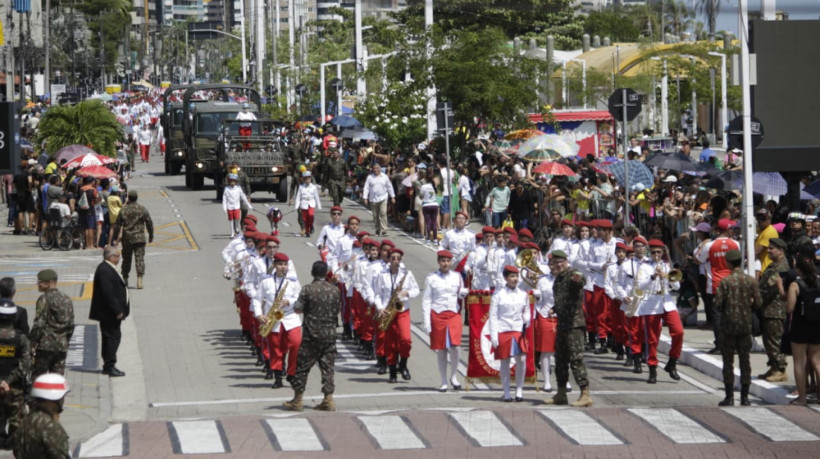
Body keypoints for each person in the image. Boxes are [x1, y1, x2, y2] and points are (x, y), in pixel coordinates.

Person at [284, 261, 342, 412]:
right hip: (329, 334)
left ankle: (298, 400)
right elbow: (338, 309)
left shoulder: (307, 289)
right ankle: (328, 399)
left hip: (311, 334)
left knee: (302, 367)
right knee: (328, 367)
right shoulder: (334, 290)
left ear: (312, 272)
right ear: (326, 272)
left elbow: (297, 308)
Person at [544, 250, 592, 407]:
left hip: (574, 325)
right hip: (562, 324)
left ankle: (585, 393)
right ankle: (561, 393)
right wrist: (554, 308)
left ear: (566, 261)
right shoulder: (558, 279)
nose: (558, 265)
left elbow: (580, 280)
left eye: (561, 262)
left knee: (576, 359)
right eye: (555, 262)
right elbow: (563, 299)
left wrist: (579, 279)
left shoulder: (572, 273)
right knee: (560, 360)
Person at [714, 250, 761, 406]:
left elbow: (717, 304)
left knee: (728, 362)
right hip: (745, 326)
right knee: (744, 361)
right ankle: (745, 397)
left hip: (728, 327)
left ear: (728, 263)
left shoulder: (725, 282)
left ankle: (729, 397)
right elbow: (759, 303)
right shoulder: (751, 281)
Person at [422, 250, 468, 392]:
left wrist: (462, 294)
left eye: (448, 261)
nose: (445, 263)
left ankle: (454, 376)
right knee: (441, 348)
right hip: (438, 313)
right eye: (443, 261)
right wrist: (426, 322)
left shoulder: (457, 276)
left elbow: (460, 296)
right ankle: (443, 380)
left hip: (453, 313)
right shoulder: (431, 278)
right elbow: (426, 300)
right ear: (438, 262)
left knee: (456, 346)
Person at [254, 252, 302, 389]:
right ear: (275, 265)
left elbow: (300, 298)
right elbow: (257, 299)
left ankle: (292, 373)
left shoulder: (292, 281)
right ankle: (277, 376)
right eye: (280, 264)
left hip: (290, 317)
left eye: (285, 264)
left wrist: (289, 301)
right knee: (276, 349)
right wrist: (259, 315)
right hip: (273, 319)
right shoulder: (266, 281)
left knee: (295, 344)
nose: (283, 267)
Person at [372, 248, 420, 383]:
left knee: (405, 339)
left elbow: (416, 289)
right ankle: (392, 371)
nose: (395, 260)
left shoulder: (407, 274)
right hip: (388, 311)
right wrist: (380, 308)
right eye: (393, 258)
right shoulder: (382, 275)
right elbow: (377, 294)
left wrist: (408, 293)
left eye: (398, 258)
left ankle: (403, 364)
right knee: (390, 343)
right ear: (388, 259)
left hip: (402, 310)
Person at [489, 266, 531, 402]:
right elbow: (493, 316)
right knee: (505, 362)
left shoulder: (523, 294)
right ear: (506, 278)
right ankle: (506, 391)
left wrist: (527, 319)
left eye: (516, 276)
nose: (515, 279)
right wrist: (494, 336)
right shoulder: (498, 295)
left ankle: (519, 390)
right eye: (512, 276)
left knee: (522, 359)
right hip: (503, 329)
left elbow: (527, 310)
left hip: (518, 330)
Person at [785, 252, 820, 406]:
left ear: (798, 269)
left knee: (799, 362)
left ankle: (802, 398)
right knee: (817, 362)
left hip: (800, 325)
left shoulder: (795, 285)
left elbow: (790, 308)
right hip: (817, 324)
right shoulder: (819, 282)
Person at [89, 246, 129, 377]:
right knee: (112, 338)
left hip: (110, 313)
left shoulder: (107, 268)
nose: (119, 258)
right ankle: (110, 365)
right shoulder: (105, 270)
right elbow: (108, 293)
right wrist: (117, 309)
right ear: (111, 257)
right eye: (118, 256)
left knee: (112, 337)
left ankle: (108, 364)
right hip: (108, 313)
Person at [12, 373, 71, 458]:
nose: (62, 402)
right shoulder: (50, 428)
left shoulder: (25, 422)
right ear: (54, 398)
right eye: (62, 398)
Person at [757, 237, 791, 383]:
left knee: (774, 341)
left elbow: (769, 288)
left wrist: (756, 298)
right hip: (768, 308)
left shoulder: (781, 267)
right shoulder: (773, 265)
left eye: (772, 248)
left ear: (781, 251)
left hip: (775, 310)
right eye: (769, 248)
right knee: (768, 340)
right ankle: (773, 366)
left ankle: (780, 369)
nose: (769, 250)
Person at [30, 270, 74, 379]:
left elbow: (39, 324)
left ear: (48, 283)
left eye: (40, 282)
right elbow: (71, 324)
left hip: (45, 346)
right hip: (61, 346)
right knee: (57, 379)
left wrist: (32, 343)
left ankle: (38, 396)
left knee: (38, 378)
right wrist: (65, 340)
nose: (38, 284)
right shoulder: (66, 298)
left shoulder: (44, 299)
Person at [0, 302, 31, 449]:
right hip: (14, 390)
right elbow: (25, 366)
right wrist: (8, 381)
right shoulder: (21, 339)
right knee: (19, 430)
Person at [112, 190, 154, 289]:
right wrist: (151, 235)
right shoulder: (142, 209)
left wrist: (115, 237)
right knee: (139, 259)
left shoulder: (123, 210)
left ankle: (125, 278)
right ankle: (139, 279)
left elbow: (117, 225)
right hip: (139, 238)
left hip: (127, 238)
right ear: (136, 198)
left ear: (128, 198)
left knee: (126, 259)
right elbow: (149, 223)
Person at [362, 164, 395, 236]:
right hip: (373, 199)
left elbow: (389, 187)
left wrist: (392, 197)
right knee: (375, 215)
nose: (375, 170)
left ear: (379, 169)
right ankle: (377, 229)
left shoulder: (384, 177)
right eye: (374, 168)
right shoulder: (370, 177)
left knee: (383, 213)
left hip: (383, 198)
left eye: (377, 168)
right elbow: (366, 188)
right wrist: (365, 198)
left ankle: (384, 230)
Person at [290, 171, 321, 237]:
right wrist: (296, 206)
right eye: (306, 179)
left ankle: (310, 226)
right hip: (304, 204)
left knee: (310, 215)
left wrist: (319, 205)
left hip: (311, 203)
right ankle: (307, 231)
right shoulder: (301, 187)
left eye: (308, 179)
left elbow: (316, 197)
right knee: (305, 219)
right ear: (303, 180)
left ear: (310, 179)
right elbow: (298, 197)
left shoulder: (313, 187)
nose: (307, 180)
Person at [222, 174, 252, 238]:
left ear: (236, 182)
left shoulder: (238, 188)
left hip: (236, 206)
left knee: (237, 218)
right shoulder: (227, 189)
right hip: (229, 206)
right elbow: (224, 199)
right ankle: (232, 232)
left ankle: (237, 228)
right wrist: (224, 207)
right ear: (229, 182)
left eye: (234, 181)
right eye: (231, 181)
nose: (232, 183)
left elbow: (243, 197)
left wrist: (249, 205)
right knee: (231, 220)